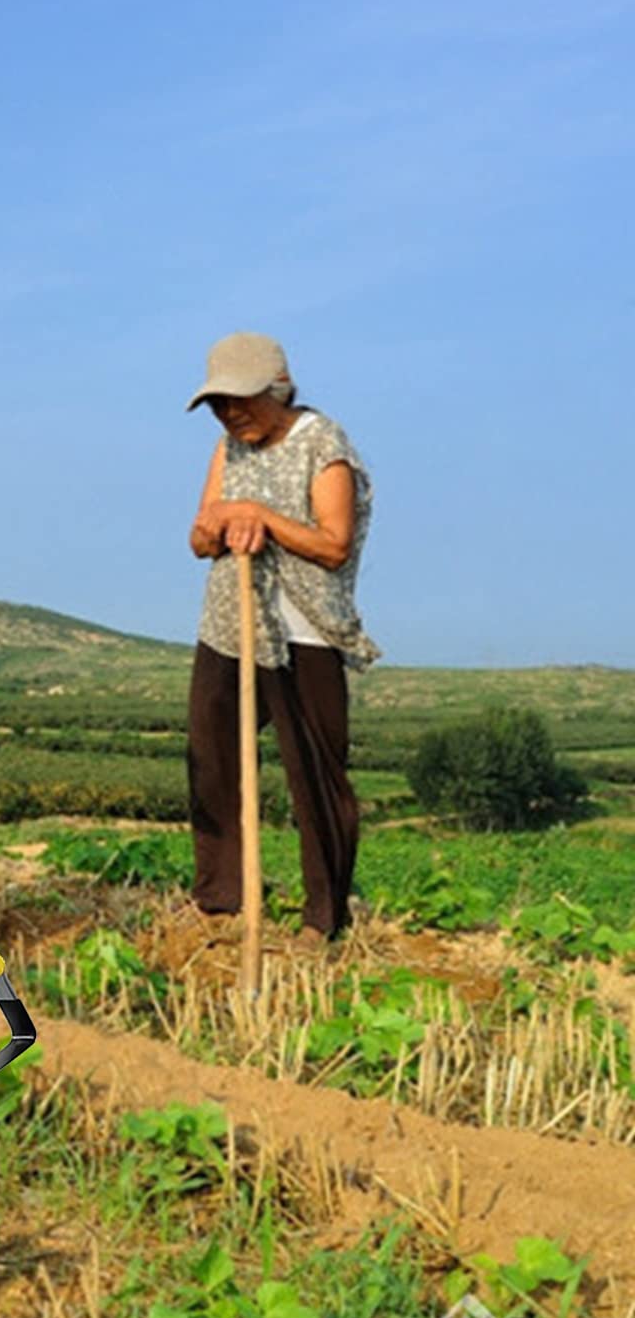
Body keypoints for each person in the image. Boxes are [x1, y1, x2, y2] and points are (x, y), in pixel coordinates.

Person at [183, 332, 378, 948]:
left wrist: (262, 518)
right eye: (219, 404)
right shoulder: (227, 448)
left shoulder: (323, 443)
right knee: (212, 759)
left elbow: (334, 542)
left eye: (240, 401)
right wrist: (219, 528)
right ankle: (221, 898)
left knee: (315, 772)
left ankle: (323, 918)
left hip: (303, 631)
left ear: (279, 390)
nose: (230, 414)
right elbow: (199, 536)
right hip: (229, 624)